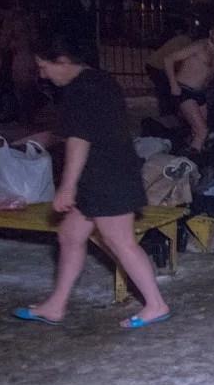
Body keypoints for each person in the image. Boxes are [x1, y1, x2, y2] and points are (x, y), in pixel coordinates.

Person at [11, 35, 170, 328]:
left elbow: (79, 140)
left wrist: (67, 185)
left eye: (43, 67)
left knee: (119, 241)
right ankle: (56, 305)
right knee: (70, 236)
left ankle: (156, 304)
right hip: (104, 174)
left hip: (107, 177)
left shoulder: (81, 90)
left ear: (62, 61)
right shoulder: (99, 80)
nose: (42, 75)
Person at [163, 23, 214, 152]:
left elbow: (210, 72)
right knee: (202, 131)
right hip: (184, 90)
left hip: (200, 93)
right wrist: (173, 85)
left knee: (197, 131)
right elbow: (168, 59)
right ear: (211, 33)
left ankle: (188, 152)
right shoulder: (199, 46)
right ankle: (192, 159)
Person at [144, 24, 192, 116]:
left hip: (155, 64)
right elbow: (176, 60)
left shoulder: (183, 40)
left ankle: (168, 113)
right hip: (157, 66)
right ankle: (167, 114)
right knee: (165, 90)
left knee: (165, 89)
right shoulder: (185, 42)